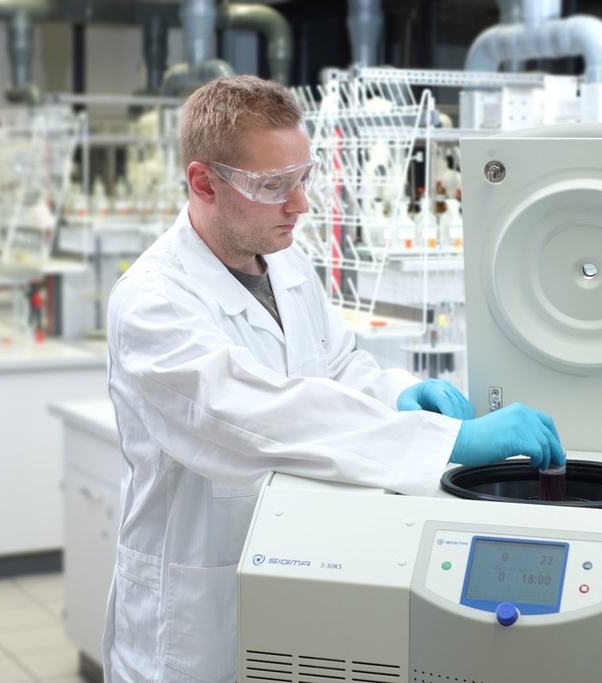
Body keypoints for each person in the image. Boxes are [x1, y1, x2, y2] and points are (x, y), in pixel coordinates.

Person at [103, 74, 564, 683]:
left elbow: (336, 362)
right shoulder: (151, 303)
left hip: (295, 566)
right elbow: (248, 416)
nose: (300, 204)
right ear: (202, 183)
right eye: (273, 186)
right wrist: (445, 443)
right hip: (192, 616)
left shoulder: (287, 261)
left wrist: (399, 392)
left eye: (303, 178)